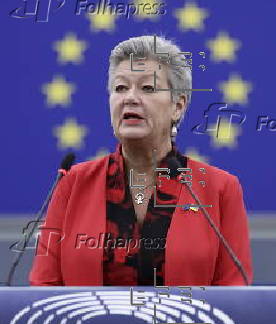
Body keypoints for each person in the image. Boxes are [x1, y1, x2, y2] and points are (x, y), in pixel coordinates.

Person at [29, 35, 253, 286]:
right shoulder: (72, 183)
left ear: (177, 107)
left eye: (147, 88)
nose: (130, 98)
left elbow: (235, 295)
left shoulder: (220, 189)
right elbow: (43, 289)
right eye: (120, 88)